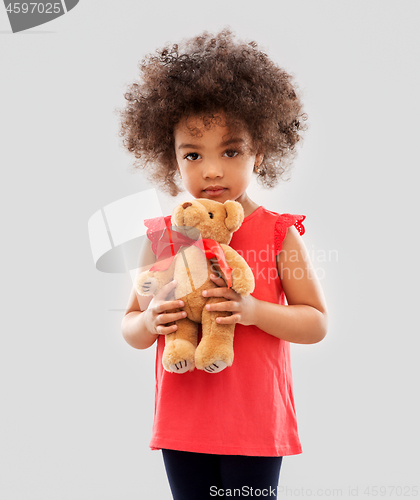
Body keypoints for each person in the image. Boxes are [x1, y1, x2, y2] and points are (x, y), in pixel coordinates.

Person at [118, 28, 328, 500]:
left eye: (230, 151)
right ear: (172, 160)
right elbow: (130, 325)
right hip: (183, 422)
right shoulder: (162, 236)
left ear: (260, 151)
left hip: (253, 423)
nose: (212, 170)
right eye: (193, 154)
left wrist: (253, 311)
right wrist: (151, 320)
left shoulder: (279, 232)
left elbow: (315, 323)